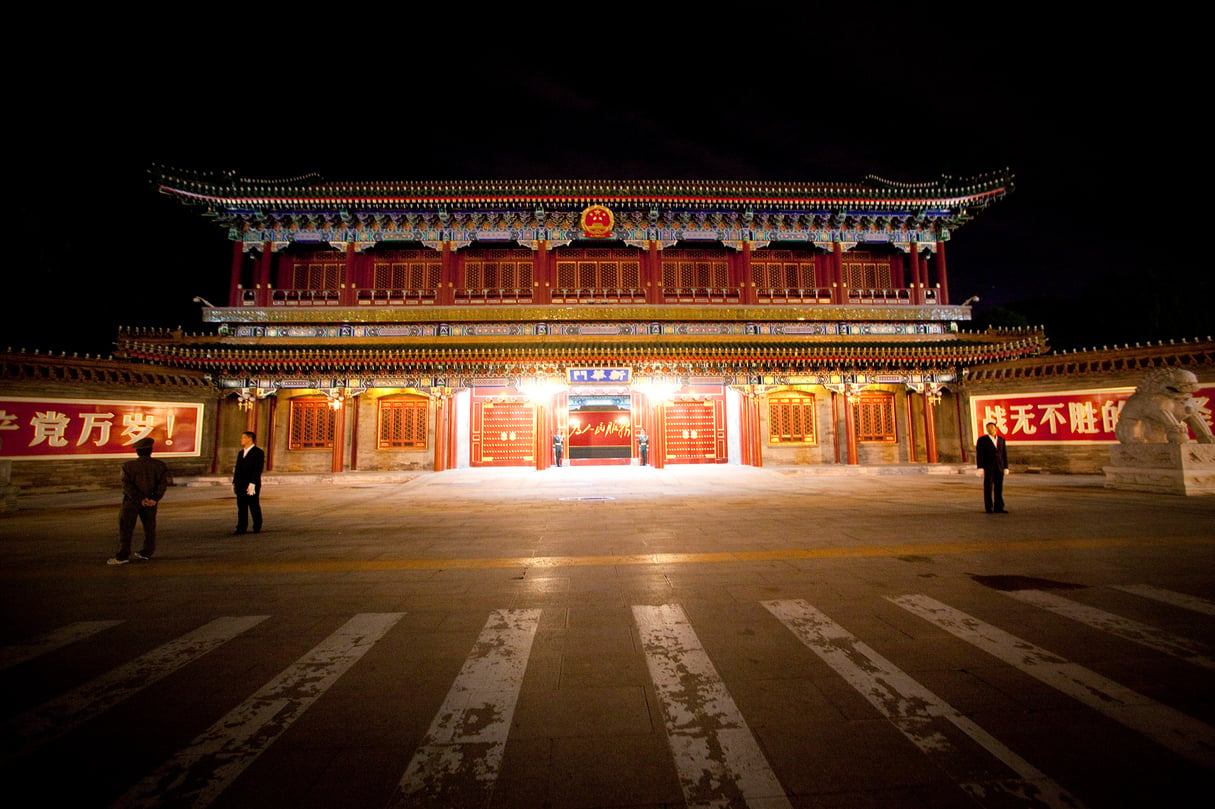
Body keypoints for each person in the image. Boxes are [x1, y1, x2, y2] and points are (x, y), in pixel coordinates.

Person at [108, 437, 171, 565]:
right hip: (151, 503)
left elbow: (127, 486)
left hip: (131, 502)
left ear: (137, 452)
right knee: (149, 527)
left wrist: (140, 499)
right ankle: (146, 552)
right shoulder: (160, 466)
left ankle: (123, 555)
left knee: (126, 528)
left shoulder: (128, 466)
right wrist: (154, 498)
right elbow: (162, 484)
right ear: (151, 450)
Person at [232, 430, 264, 534]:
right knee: (241, 507)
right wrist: (235, 482)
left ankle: (257, 525)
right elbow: (238, 469)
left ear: (250, 439)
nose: (241, 440)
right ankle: (241, 527)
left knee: (253, 505)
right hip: (241, 483)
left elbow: (257, 469)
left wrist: (253, 483)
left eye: (243, 438)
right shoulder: (241, 453)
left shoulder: (258, 452)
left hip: (251, 484)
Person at [976, 421, 1009, 513]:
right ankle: (989, 507)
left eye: (992, 427)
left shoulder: (1001, 440)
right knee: (988, 487)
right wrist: (980, 467)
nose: (990, 429)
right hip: (988, 467)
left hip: (999, 466)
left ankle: (999, 506)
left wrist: (1006, 467)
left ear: (996, 428)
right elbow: (980, 454)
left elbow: (1004, 454)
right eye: (988, 428)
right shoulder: (982, 440)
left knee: (999, 487)